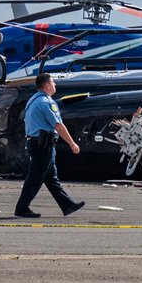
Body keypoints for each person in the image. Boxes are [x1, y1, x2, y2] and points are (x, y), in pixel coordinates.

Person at [15, 73, 85, 218]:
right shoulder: (46, 102)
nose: (55, 85)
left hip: (38, 143)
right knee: (35, 177)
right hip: (43, 145)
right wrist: (72, 144)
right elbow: (58, 125)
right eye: (53, 83)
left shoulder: (34, 100)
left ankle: (67, 204)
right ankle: (22, 208)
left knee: (51, 178)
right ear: (47, 86)